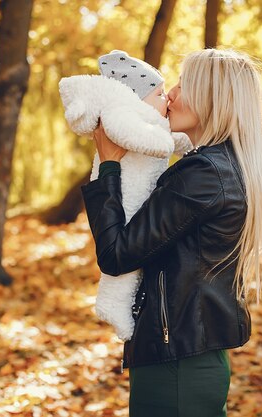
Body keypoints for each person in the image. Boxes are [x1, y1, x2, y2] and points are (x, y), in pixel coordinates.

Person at [81, 48, 262, 417]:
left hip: (176, 366)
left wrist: (108, 165)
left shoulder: (202, 174)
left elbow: (116, 255)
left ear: (211, 99)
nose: (169, 92)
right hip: (186, 357)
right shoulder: (218, 166)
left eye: (185, 84)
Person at [59, 50, 191, 341]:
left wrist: (184, 143)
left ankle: (116, 304)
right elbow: (131, 134)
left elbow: (174, 140)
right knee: (125, 260)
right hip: (125, 194)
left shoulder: (152, 121)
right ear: (136, 96)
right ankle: (111, 304)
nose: (166, 98)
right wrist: (165, 143)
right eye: (158, 94)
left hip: (138, 195)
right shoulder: (121, 113)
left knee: (134, 255)